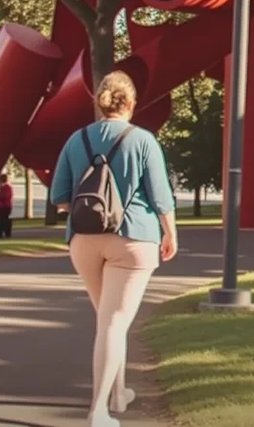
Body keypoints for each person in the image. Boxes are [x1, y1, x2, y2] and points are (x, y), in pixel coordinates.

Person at [51, 70, 178, 427]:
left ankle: (119, 394)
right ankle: (98, 412)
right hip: (133, 238)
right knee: (115, 323)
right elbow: (161, 198)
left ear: (100, 101)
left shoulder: (76, 140)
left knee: (107, 323)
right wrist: (170, 234)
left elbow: (60, 198)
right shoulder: (143, 140)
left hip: (83, 239)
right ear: (132, 103)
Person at [0, 173, 14, 238]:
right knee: (1, 220)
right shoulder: (2, 187)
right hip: (1, 206)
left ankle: (1, 233)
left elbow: (4, 196)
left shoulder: (7, 187)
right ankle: (1, 232)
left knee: (2, 220)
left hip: (4, 206)